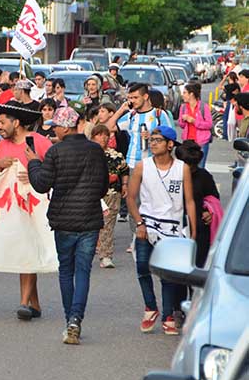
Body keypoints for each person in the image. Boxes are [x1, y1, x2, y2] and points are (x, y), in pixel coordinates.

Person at [26, 106, 108, 345]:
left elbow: (41, 184)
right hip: (90, 218)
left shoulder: (55, 152)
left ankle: (69, 320)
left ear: (64, 127)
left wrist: (33, 163)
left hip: (63, 219)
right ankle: (76, 319)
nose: (54, 132)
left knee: (66, 270)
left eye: (56, 128)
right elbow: (103, 187)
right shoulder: (96, 150)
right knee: (83, 271)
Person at [0, 101, 51, 321]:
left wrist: (34, 173)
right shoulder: (2, 145)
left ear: (17, 122)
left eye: (2, 122)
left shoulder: (39, 142)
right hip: (11, 209)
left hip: (34, 208)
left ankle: (24, 303)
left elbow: (54, 169)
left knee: (27, 253)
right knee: (25, 253)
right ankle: (35, 304)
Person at [127, 126, 196, 336]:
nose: (154, 142)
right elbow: (130, 197)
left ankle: (167, 316)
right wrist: (139, 223)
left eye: (159, 140)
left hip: (172, 227)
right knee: (142, 267)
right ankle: (150, 307)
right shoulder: (142, 166)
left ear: (170, 144)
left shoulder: (181, 168)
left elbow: (190, 201)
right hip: (147, 223)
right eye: (153, 139)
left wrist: (192, 232)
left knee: (167, 275)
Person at [175, 141, 220, 268]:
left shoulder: (204, 176)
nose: (188, 169)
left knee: (198, 264)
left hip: (199, 225)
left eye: (192, 166)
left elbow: (213, 198)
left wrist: (208, 211)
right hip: (174, 223)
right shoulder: (171, 174)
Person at [107, 83, 173, 169]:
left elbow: (171, 138)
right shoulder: (131, 115)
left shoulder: (159, 114)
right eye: (130, 98)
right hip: (131, 163)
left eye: (135, 97)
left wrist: (153, 137)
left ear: (145, 97)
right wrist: (121, 109)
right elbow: (109, 128)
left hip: (153, 164)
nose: (132, 101)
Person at [90, 125, 128, 269]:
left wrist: (124, 184)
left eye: (106, 135)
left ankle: (106, 255)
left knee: (107, 225)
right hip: (91, 194)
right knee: (92, 226)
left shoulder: (115, 155)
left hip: (112, 193)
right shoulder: (87, 153)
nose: (103, 138)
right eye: (99, 135)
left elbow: (124, 170)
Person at [178, 83, 213, 168]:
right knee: (186, 167)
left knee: (200, 167)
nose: (183, 95)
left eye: (185, 93)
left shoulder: (203, 107)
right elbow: (182, 125)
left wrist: (194, 121)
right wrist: (183, 119)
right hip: (188, 141)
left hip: (201, 142)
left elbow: (209, 124)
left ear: (191, 94)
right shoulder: (183, 107)